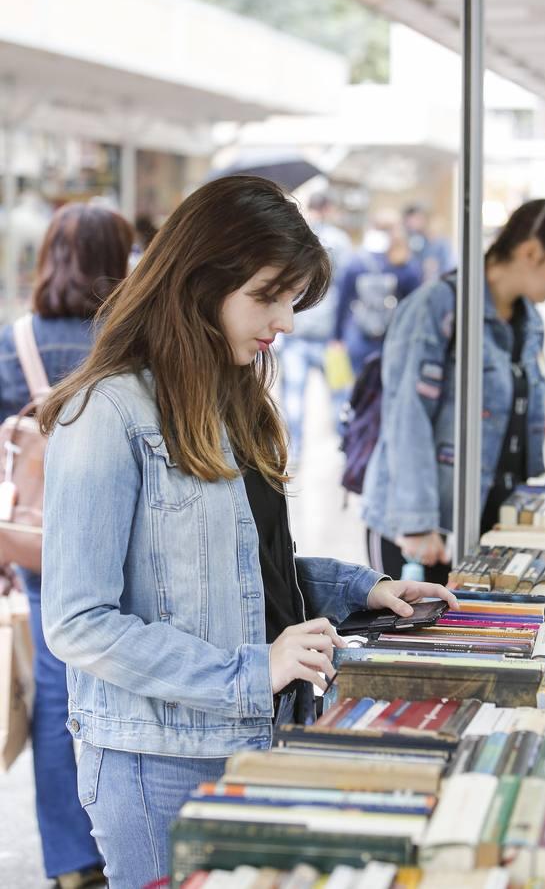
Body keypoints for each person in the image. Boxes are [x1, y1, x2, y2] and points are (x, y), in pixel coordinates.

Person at [39, 176, 458, 889]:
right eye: (268, 296)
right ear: (199, 280)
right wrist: (249, 670)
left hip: (257, 738)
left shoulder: (232, 397)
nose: (286, 322)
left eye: (291, 300)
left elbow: (250, 568)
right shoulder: (107, 414)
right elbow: (78, 623)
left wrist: (366, 589)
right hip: (159, 764)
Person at [0, 202, 133, 889]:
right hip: (130, 534)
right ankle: (128, 839)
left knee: (55, 692)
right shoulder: (134, 333)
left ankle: (72, 862)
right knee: (130, 676)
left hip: (42, 539)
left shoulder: (16, 339)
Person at [362, 198, 545, 581]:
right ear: (531, 252)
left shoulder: (529, 322)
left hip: (493, 525)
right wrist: (418, 522)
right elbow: (406, 416)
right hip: (427, 531)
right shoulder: (439, 308)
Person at [278, 191, 352, 464]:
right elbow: (346, 291)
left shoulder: (296, 239)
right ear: (330, 208)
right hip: (328, 333)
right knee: (339, 396)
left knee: (294, 398)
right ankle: (346, 446)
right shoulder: (340, 241)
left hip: (297, 327)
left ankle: (294, 450)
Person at [334, 209, 422, 375]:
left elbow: (343, 301)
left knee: (357, 390)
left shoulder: (357, 261)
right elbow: (415, 306)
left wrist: (337, 336)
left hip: (358, 333)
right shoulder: (405, 264)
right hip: (393, 338)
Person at [403, 202, 455, 283]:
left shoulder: (442, 244)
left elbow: (449, 269)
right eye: (409, 221)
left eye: (417, 219)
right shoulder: (415, 243)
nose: (412, 223)